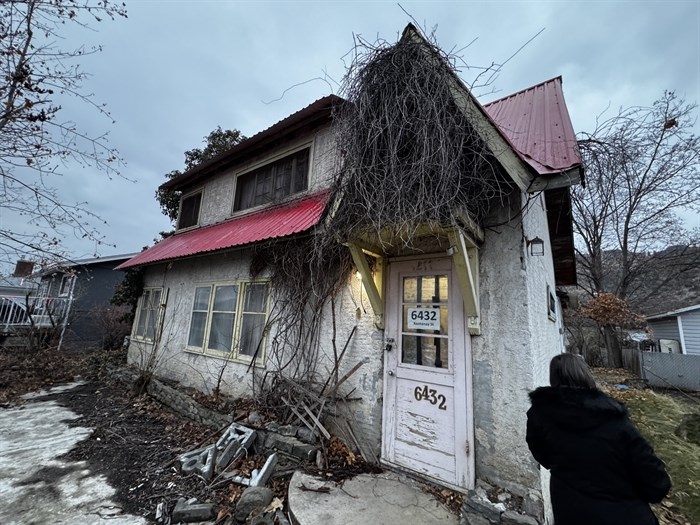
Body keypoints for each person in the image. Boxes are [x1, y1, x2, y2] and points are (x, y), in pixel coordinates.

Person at [526, 353, 671, 525]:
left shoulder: (541, 415)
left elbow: (539, 451)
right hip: (623, 514)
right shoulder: (613, 420)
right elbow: (656, 481)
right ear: (585, 375)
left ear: (553, 377)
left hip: (569, 509)